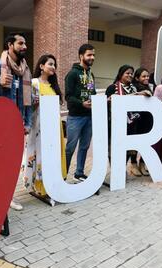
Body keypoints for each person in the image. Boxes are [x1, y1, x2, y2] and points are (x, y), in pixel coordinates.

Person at [0, 32, 32, 211]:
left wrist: (27, 122)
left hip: (18, 125)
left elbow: (27, 101)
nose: (24, 47)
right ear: (10, 44)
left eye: (25, 44)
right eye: (20, 43)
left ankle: (8, 196)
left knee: (12, 164)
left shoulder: (25, 69)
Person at [23, 54, 67, 198]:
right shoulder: (34, 83)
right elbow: (28, 105)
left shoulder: (54, 85)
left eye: (54, 65)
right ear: (41, 66)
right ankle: (40, 186)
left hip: (55, 126)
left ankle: (54, 184)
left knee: (53, 154)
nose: (53, 67)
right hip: (39, 126)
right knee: (40, 154)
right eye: (50, 64)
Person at [105, 65, 150, 176]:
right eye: (127, 73)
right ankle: (117, 171)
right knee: (115, 149)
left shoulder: (133, 88)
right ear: (121, 74)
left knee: (128, 149)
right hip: (116, 124)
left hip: (131, 125)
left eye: (131, 73)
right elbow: (105, 105)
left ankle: (122, 169)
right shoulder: (112, 87)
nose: (130, 75)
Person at [64, 43, 96, 182]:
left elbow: (92, 92)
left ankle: (79, 173)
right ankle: (63, 174)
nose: (92, 57)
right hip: (75, 117)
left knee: (84, 146)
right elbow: (68, 96)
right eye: (89, 55)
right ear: (81, 56)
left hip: (90, 117)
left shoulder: (91, 74)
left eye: (93, 55)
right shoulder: (72, 74)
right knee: (70, 147)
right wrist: (82, 103)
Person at [132, 67, 154, 176]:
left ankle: (142, 164)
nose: (146, 78)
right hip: (137, 121)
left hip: (148, 120)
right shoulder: (134, 87)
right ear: (137, 77)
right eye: (143, 76)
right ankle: (133, 164)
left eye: (147, 76)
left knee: (146, 143)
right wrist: (142, 93)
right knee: (135, 143)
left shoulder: (149, 87)